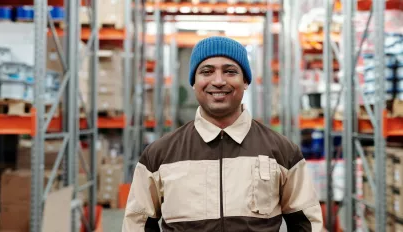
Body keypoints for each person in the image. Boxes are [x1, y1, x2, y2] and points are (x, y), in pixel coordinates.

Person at [122, 36, 323, 232]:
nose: (218, 81)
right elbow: (137, 223)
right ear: (194, 82)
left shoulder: (282, 151)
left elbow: (306, 223)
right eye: (207, 71)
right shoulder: (159, 154)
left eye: (230, 71)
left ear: (245, 81)